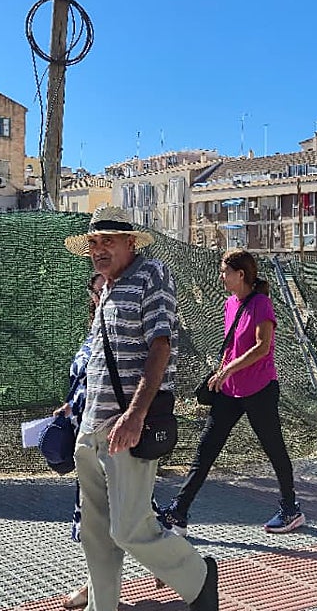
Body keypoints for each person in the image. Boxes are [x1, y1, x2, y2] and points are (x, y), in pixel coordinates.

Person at [63, 205, 218, 611]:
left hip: (125, 427)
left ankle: (199, 577)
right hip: (91, 426)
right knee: (96, 534)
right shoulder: (107, 286)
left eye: (108, 241)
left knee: (129, 529)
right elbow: (101, 355)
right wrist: (73, 405)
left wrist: (136, 415)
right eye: (94, 242)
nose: (99, 250)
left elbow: (161, 346)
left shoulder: (152, 275)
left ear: (131, 242)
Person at [160, 248, 304, 536]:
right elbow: (231, 346)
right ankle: (179, 512)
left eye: (225, 271)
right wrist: (220, 372)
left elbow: (262, 347)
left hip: (260, 389)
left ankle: (291, 509)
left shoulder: (261, 304)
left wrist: (228, 370)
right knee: (206, 449)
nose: (221, 276)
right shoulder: (229, 304)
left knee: (274, 449)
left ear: (241, 274)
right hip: (230, 390)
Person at [58, 272, 103, 611]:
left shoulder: (124, 328)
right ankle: (177, 567)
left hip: (112, 435)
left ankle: (185, 569)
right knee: (96, 517)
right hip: (85, 434)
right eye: (96, 288)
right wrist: (70, 406)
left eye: (107, 287)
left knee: (111, 517)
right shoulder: (93, 330)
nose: (100, 293)